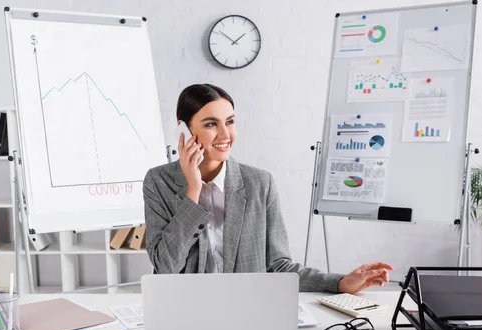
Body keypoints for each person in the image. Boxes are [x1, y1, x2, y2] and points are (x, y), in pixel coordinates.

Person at [142, 83, 393, 293]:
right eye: (210, 124)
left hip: (248, 311)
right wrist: (193, 191)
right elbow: (165, 268)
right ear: (184, 130)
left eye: (229, 121)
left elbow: (278, 266)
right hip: (185, 311)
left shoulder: (259, 184)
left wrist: (339, 282)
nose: (225, 134)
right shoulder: (158, 182)